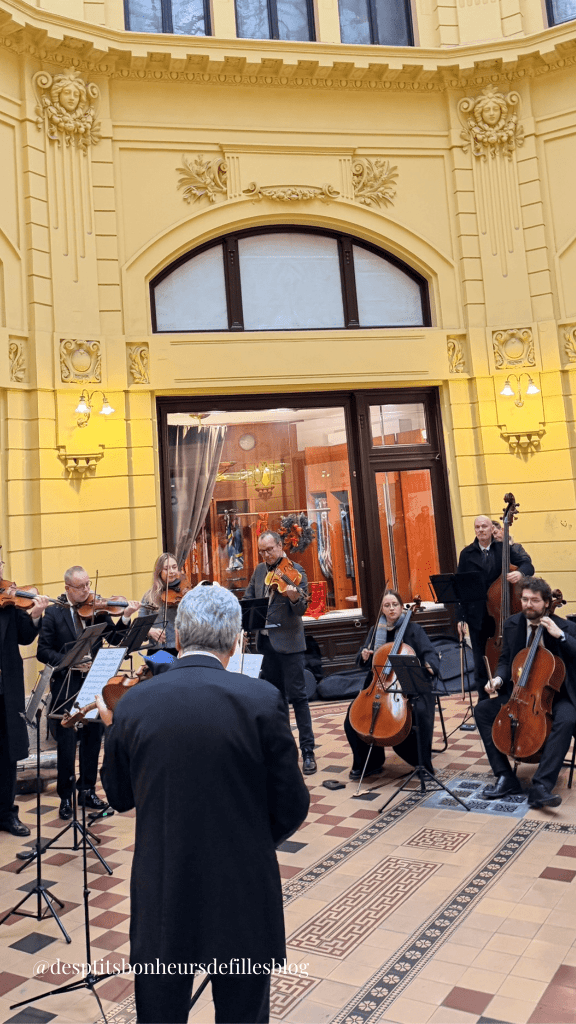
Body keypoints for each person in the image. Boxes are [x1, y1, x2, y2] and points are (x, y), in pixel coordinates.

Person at [98, 584, 309, 1024]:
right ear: (237, 640)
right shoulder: (261, 699)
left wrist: (113, 731)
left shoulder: (133, 703)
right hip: (242, 892)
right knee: (242, 1015)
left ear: (178, 638)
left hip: (164, 888)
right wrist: (250, 839)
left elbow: (118, 797)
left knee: (160, 1014)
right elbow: (292, 804)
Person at [37, 566, 140, 820]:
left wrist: (125, 617)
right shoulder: (53, 613)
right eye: (81, 587)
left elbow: (116, 640)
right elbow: (43, 651)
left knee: (94, 737)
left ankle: (87, 790)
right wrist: (68, 661)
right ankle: (64, 796)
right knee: (67, 741)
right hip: (67, 684)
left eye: (88, 585)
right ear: (68, 589)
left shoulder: (96, 609)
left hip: (93, 682)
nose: (87, 590)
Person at [475, 576, 576, 809]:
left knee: (568, 718)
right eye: (524, 599)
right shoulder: (512, 624)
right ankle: (505, 776)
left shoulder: (566, 627)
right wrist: (498, 679)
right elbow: (505, 660)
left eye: (535, 601)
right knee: (482, 710)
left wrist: (559, 635)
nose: (528, 605)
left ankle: (541, 785)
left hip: (558, 694)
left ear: (547, 602)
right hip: (520, 693)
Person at [344, 590, 440, 780]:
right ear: (383, 609)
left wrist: (429, 664)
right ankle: (369, 763)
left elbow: (429, 652)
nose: (391, 609)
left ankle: (423, 763)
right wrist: (363, 655)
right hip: (377, 685)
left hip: (408, 687)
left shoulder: (414, 630)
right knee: (351, 718)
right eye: (387, 606)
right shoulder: (374, 630)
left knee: (419, 713)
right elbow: (364, 658)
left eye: (394, 604)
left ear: (400, 606)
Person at [244, 531, 317, 774]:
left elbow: (301, 610)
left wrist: (295, 598)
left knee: (298, 698)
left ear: (280, 546)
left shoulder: (297, 571)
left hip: (289, 644)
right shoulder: (258, 571)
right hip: (265, 645)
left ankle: (308, 751)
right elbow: (249, 599)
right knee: (276, 700)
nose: (266, 555)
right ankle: (284, 750)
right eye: (262, 551)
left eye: (269, 550)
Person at [0, 550, 50, 836]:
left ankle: (7, 814)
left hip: (6, 691)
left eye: (0, 564)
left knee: (7, 754)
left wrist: (35, 613)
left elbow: (25, 636)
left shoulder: (10, 601)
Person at [456, 515, 534, 699]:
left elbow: (528, 564)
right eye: (477, 527)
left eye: (484, 526)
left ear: (492, 529)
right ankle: (483, 703)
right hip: (478, 615)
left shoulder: (503, 548)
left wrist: (521, 573)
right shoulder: (466, 554)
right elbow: (460, 588)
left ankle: (507, 697)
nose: (481, 530)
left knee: (508, 657)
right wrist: (460, 617)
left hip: (503, 613)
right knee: (480, 662)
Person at [138, 552, 188, 655]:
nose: (172, 571)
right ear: (159, 571)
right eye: (167, 568)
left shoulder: (184, 593)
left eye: (174, 567)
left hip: (180, 650)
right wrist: (149, 631)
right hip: (156, 651)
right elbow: (140, 626)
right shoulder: (149, 596)